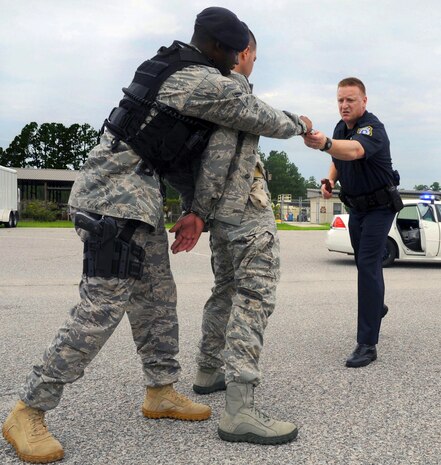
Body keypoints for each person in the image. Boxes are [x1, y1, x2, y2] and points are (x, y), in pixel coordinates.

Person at [2, 7, 312, 463]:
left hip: (137, 200)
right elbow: (257, 115)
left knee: (156, 300)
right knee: (100, 309)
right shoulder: (200, 81)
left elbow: (189, 156)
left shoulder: (177, 67)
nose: (238, 62)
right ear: (223, 49)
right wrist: (303, 124)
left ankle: (160, 391)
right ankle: (28, 410)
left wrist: (193, 211)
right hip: (111, 202)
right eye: (237, 54)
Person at [170, 30, 311, 445]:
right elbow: (222, 155)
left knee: (226, 290)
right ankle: (239, 408)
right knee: (254, 298)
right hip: (247, 212)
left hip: (220, 216)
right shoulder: (234, 92)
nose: (253, 63)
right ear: (244, 52)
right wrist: (301, 123)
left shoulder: (205, 94)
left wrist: (199, 209)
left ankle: (209, 370)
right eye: (254, 55)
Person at [303, 77, 402, 368]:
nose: (344, 105)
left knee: (367, 268)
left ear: (364, 101)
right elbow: (338, 154)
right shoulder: (339, 127)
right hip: (357, 208)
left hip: (380, 208)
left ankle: (367, 345)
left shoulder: (373, 128)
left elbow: (355, 150)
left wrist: (326, 144)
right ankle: (377, 306)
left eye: (350, 100)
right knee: (364, 264)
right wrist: (330, 179)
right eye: (340, 100)